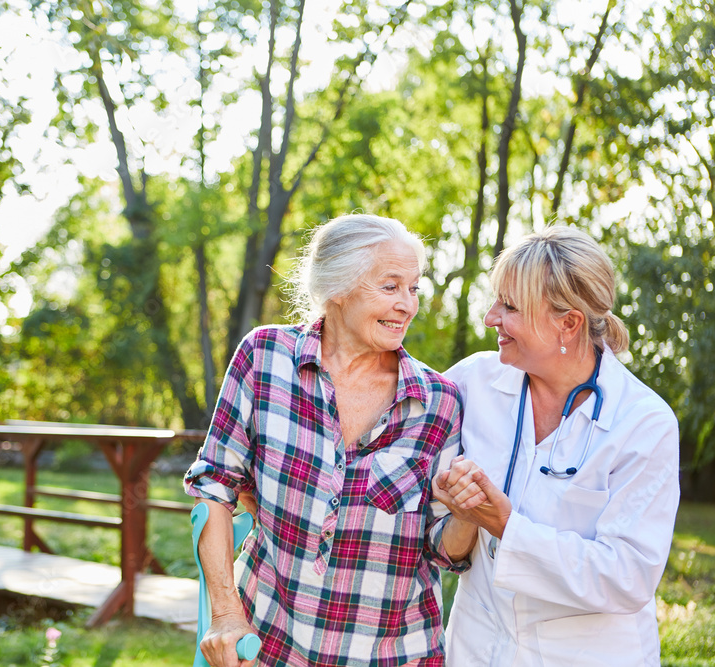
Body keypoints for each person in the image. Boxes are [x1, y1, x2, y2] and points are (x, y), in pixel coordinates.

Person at [184, 214, 477, 667]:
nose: (407, 304)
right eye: (390, 286)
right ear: (337, 287)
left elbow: (443, 548)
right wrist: (225, 614)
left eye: (413, 288)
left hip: (396, 655)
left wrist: (467, 513)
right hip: (271, 643)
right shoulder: (265, 359)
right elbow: (214, 490)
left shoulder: (437, 401)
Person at [432, 226, 680, 666]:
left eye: (510, 307)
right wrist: (463, 516)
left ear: (568, 323)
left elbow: (627, 576)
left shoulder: (643, 422)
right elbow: (436, 527)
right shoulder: (471, 383)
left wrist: (507, 524)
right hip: (476, 647)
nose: (491, 317)